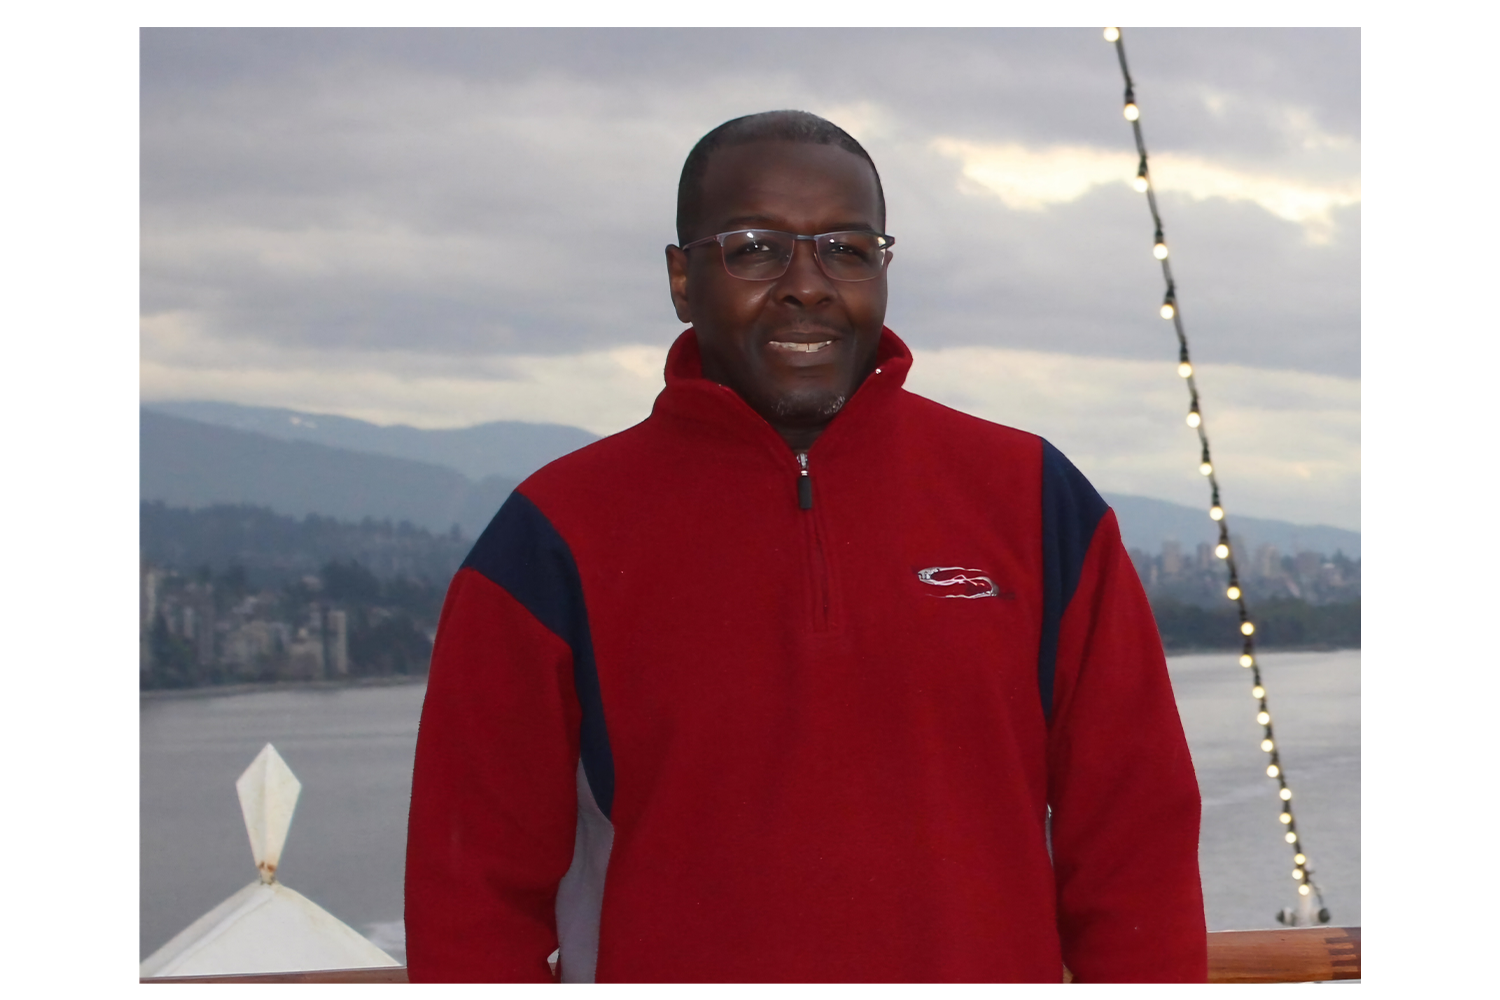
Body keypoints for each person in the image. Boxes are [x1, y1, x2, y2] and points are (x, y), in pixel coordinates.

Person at [405, 110, 1206, 983]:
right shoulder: (552, 537)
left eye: (847, 250)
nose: (807, 286)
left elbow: (1136, 845)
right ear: (682, 279)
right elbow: (470, 900)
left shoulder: (1035, 500)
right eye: (755, 249)